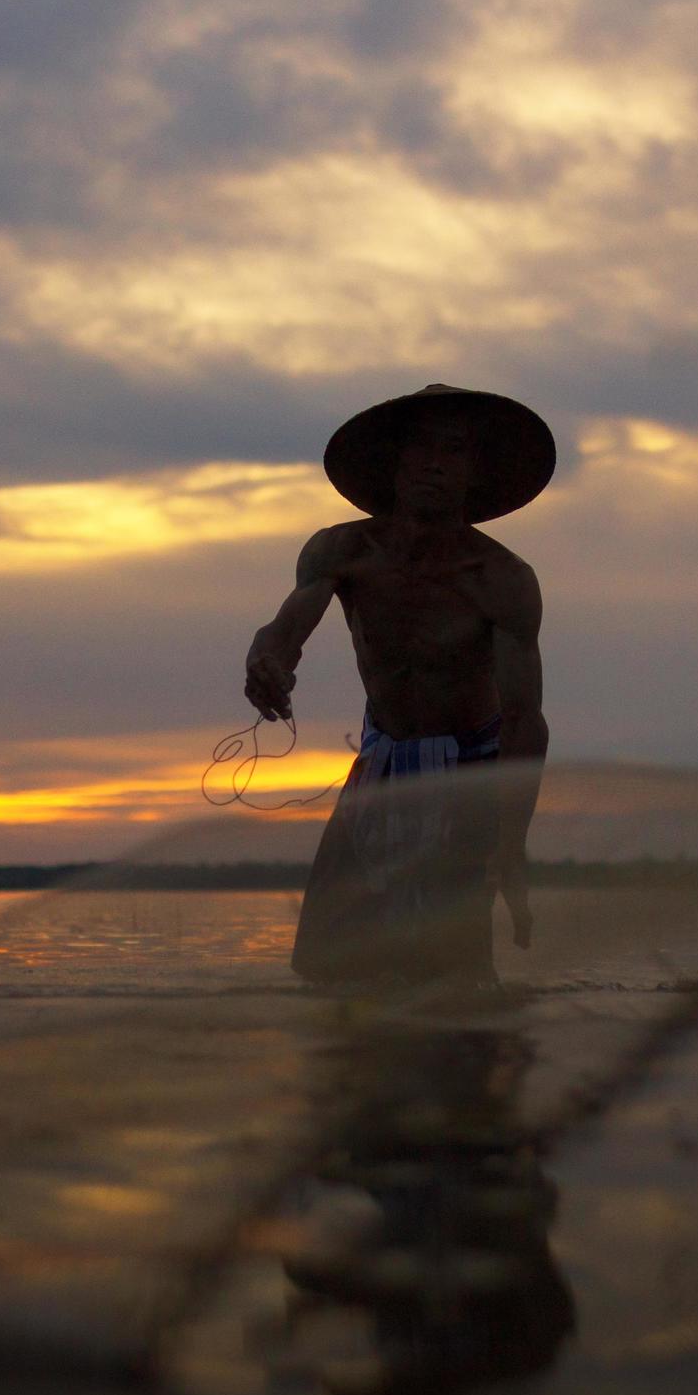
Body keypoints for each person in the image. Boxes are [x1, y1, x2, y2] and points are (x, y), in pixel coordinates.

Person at [244, 384, 554, 987]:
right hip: (382, 760)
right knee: (327, 965)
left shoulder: (502, 580)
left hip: (468, 770)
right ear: (395, 462)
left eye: (454, 450)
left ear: (474, 473)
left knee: (456, 971)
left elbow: (524, 720)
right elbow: (283, 631)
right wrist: (267, 664)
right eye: (419, 448)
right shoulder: (342, 551)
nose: (434, 463)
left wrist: (510, 844)